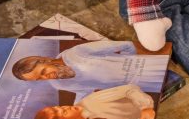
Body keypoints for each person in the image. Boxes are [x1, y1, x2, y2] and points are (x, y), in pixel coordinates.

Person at [11, 40, 165, 100]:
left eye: (43, 72)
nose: (47, 77)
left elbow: (126, 45)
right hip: (142, 89)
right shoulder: (59, 84)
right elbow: (84, 91)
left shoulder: (78, 52)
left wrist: (132, 63)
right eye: (40, 79)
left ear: (45, 60)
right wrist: (78, 111)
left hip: (151, 68)